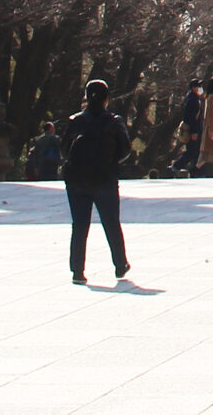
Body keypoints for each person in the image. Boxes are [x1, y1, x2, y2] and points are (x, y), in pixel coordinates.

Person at [60, 79, 131, 285]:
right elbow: (124, 150)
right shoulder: (113, 121)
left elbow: (64, 151)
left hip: (77, 180)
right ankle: (119, 264)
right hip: (104, 178)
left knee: (80, 226)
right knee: (111, 223)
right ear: (107, 98)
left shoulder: (75, 121)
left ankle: (77, 270)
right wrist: (109, 161)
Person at [174, 78, 205, 173]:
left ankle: (195, 171)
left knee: (195, 152)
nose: (200, 88)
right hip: (193, 130)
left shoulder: (192, 98)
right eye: (198, 86)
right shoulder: (193, 100)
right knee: (192, 152)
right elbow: (191, 117)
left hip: (194, 129)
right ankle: (176, 166)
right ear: (193, 88)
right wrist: (194, 131)